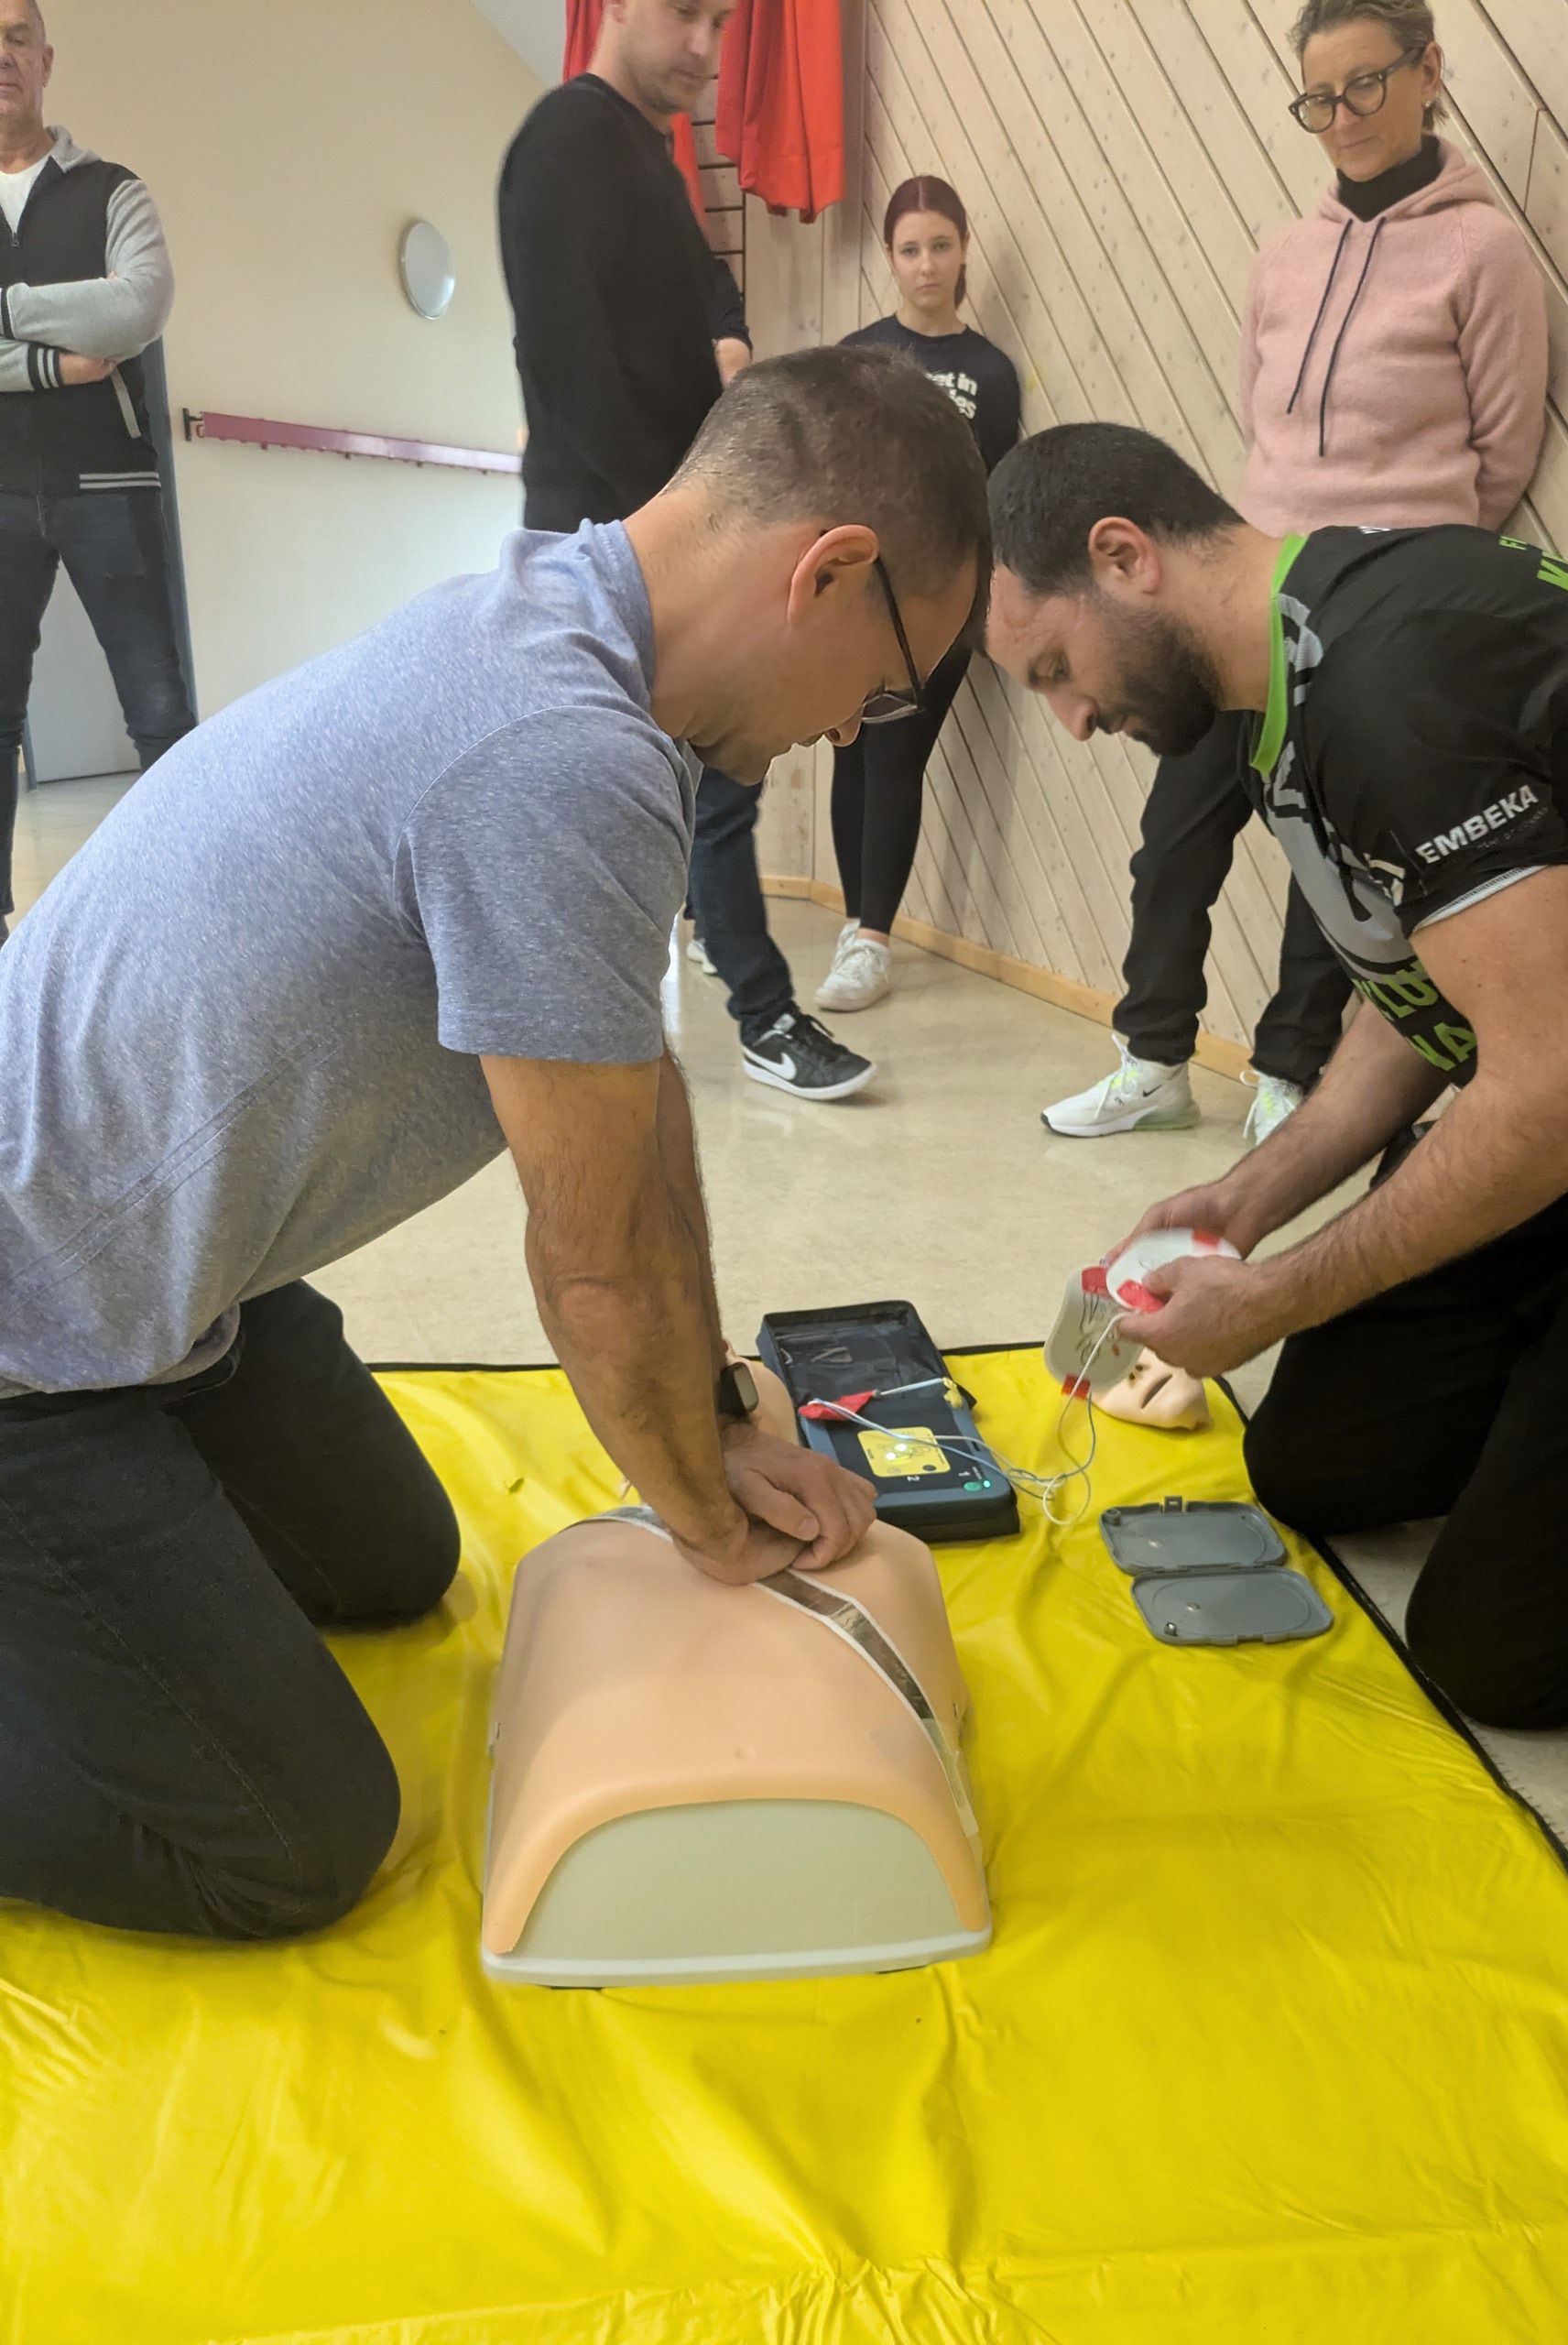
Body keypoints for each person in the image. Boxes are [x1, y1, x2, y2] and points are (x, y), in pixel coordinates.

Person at [0, 345, 989, 1941]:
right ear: (830, 571)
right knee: (291, 1846)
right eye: (883, 688)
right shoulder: (559, 751)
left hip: (164, 1289)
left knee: (392, 1567)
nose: (851, 733)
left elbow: (640, 1099)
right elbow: (592, 1265)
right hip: (28, 1335)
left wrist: (717, 1411)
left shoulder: (563, 622)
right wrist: (704, 1516)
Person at [986, 419, 1568, 1731]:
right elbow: (1426, 995)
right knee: (1315, 1464)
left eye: (1057, 669)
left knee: (1505, 1645)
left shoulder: (1395, 686)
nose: (1074, 721)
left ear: (1123, 557)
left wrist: (1276, 1298)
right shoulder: (1292, 679)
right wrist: (1249, 1199)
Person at [1043, 0, 1545, 1148]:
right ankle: (1153, 1057)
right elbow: (1259, 422)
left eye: (1365, 85)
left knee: (1331, 868)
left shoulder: (1485, 251)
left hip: (1376, 613)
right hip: (1245, 591)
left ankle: (1288, 1074)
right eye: (1319, 99)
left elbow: (1502, 453)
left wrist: (1396, 569)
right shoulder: (1285, 254)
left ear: (1428, 70)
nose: (1343, 118)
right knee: (1176, 836)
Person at [497, 0, 871, 1103]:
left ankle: (734, 1003)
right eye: (684, 14)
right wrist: (679, 535)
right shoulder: (569, 140)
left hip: (647, 535)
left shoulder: (646, 157)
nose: (707, 49)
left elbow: (677, 346)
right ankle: (741, 1016)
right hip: (604, 548)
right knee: (680, 786)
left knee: (712, 780)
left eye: (721, 20)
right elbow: (572, 370)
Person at [0, 0, 194, 940]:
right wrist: (50, 360)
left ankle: (196, 910)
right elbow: (94, 327)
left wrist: (6, 308)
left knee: (159, 708)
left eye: (16, 36)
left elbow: (137, 308)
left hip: (112, 487)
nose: (2, 54)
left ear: (46, 60)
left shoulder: (113, 190)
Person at [817, 174, 1020, 1014]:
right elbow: (828, 475)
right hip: (861, 597)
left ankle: (873, 942)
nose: (927, 264)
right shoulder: (858, 356)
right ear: (890, 259)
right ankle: (855, 924)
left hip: (942, 602)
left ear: (964, 250)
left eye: (941, 246)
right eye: (911, 250)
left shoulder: (990, 371)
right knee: (853, 749)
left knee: (898, 752)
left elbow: (996, 493)